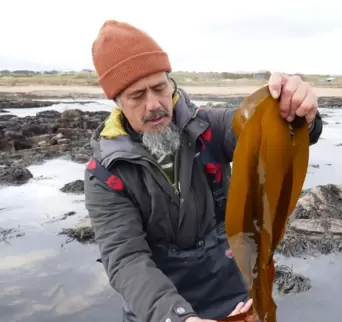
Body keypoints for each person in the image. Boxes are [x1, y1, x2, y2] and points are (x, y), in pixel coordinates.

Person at [84, 20, 323, 322]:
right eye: (137, 96)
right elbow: (126, 259)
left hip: (233, 299)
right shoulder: (105, 174)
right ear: (117, 102)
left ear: (171, 82)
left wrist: (298, 114)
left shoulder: (207, 127)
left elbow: (267, 130)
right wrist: (178, 317)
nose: (154, 105)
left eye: (159, 87)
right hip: (159, 309)